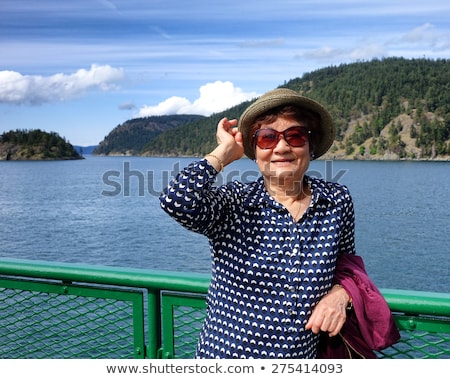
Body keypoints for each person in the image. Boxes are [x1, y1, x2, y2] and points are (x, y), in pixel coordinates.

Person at [159, 88, 398, 359]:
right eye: (266, 138)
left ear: (311, 146)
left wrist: (342, 294)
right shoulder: (235, 203)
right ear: (255, 150)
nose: (282, 147)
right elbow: (176, 199)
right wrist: (223, 153)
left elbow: (347, 265)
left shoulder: (336, 201)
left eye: (295, 136)